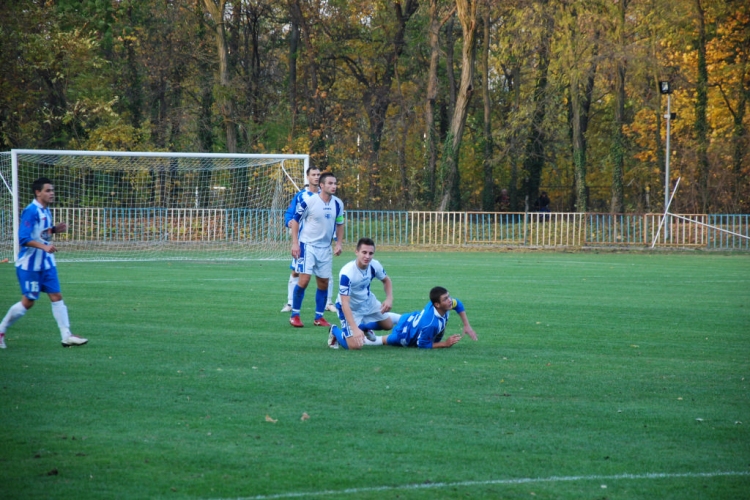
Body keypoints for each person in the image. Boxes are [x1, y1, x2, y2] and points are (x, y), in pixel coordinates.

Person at [0, 177, 88, 349]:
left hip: (47, 264)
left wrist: (54, 230)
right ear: (37, 192)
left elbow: (41, 233)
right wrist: (43, 246)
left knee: (57, 297)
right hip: (29, 265)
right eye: (48, 190)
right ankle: (1, 329)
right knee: (28, 302)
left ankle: (66, 335)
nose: (51, 193)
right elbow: (23, 238)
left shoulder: (46, 211)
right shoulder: (31, 211)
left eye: (52, 190)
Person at [288, 171, 345, 328]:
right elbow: (295, 220)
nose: (334, 186)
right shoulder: (310, 202)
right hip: (307, 246)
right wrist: (295, 243)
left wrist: (339, 243)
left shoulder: (338, 203)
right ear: (322, 185)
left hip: (325, 248)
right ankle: (295, 315)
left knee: (323, 283)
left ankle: (318, 317)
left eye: (335, 183)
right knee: (304, 280)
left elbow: (340, 223)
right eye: (330, 183)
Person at [280, 166, 336, 313]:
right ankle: (291, 303)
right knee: (296, 272)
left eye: (318, 174)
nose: (316, 177)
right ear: (308, 177)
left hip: (323, 244)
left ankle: (328, 302)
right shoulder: (300, 196)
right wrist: (289, 222)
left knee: (326, 274)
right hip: (304, 243)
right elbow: (290, 214)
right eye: (313, 174)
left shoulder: (327, 196)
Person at [327, 237, 396, 350]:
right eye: (364, 252)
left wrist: (389, 298)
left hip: (368, 301)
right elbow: (345, 304)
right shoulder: (347, 273)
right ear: (356, 252)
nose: (367, 256)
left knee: (388, 325)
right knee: (355, 346)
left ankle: (363, 328)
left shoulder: (374, 265)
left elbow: (386, 280)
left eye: (370, 253)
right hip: (350, 308)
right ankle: (334, 330)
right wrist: (354, 328)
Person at [360, 286, 477, 349]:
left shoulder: (443, 305)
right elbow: (422, 344)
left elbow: (459, 305)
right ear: (437, 304)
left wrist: (467, 325)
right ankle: (357, 331)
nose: (450, 300)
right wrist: (445, 344)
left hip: (409, 318)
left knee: (394, 319)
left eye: (449, 296)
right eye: (445, 299)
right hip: (405, 336)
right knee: (381, 340)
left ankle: (362, 326)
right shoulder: (431, 323)